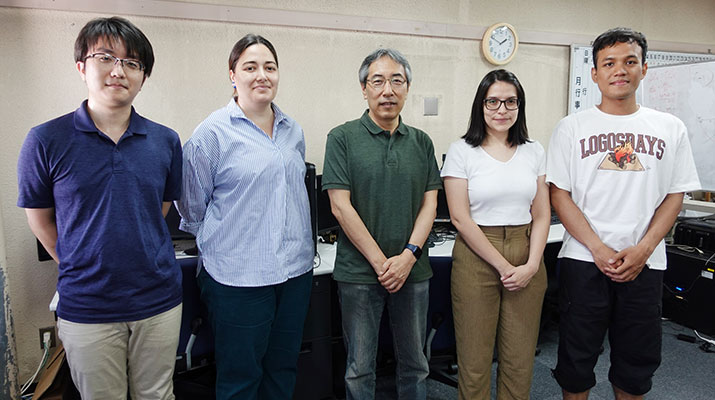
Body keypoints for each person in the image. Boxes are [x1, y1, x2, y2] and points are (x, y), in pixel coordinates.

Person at [17, 17, 182, 399]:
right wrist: (78, 259)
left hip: (157, 299)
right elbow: (39, 218)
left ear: (143, 76)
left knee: (157, 394)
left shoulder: (165, 140)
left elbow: (159, 207)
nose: (118, 70)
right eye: (106, 57)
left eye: (132, 62)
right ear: (82, 67)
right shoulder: (45, 140)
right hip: (87, 304)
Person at [547, 27, 701, 400]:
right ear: (595, 73)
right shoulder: (571, 128)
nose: (620, 70)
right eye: (609, 63)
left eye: (630, 61)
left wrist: (645, 249)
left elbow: (674, 196)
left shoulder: (670, 128)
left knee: (636, 365)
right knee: (575, 361)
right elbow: (559, 195)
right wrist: (599, 249)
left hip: (645, 264)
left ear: (644, 69)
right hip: (584, 261)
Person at [176, 34, 313, 399]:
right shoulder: (211, 134)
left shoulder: (292, 130)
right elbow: (191, 208)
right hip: (237, 278)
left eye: (269, 67)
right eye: (250, 67)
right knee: (240, 378)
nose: (261, 75)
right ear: (233, 75)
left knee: (282, 369)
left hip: (294, 272)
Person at [322, 48, 441, 399]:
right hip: (359, 274)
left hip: (413, 273)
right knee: (359, 368)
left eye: (397, 81)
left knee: (416, 364)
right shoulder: (342, 138)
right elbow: (340, 207)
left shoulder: (421, 142)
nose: (387, 89)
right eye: (378, 81)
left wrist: (406, 259)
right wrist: (382, 264)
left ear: (407, 88)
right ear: (364, 89)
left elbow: (429, 204)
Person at [441, 69, 550, 399]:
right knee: (474, 361)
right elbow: (460, 219)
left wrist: (531, 265)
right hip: (477, 254)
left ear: (520, 106)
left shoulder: (534, 150)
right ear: (481, 105)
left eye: (510, 102)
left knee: (519, 360)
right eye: (493, 102)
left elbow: (542, 213)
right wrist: (504, 267)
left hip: (526, 249)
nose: (502, 110)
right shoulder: (461, 150)